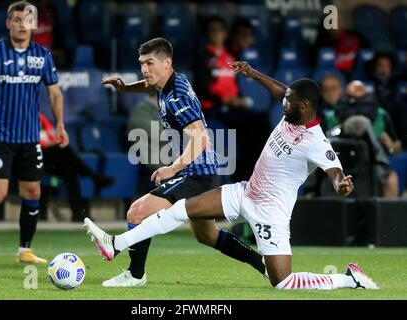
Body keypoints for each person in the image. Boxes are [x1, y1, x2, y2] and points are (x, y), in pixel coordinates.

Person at [84, 61, 379, 290]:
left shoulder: (317, 142)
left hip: (270, 212)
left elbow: (335, 172)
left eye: (289, 101)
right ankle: (116, 244)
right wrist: (252, 73)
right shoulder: (293, 111)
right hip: (244, 192)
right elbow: (280, 91)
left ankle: (348, 279)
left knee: (282, 282)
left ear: (305, 106)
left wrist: (342, 185)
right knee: (180, 210)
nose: (283, 102)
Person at [96, 37, 266, 287]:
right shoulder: (170, 81)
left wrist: (174, 167)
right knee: (207, 236)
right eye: (142, 63)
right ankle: (260, 263)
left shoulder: (177, 98)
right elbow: (148, 84)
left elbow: (200, 136)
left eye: (150, 63)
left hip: (195, 173)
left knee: (137, 212)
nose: (144, 69)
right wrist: (125, 88)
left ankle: (135, 275)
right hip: (202, 170)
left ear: (167, 63)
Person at [0, 1, 68, 264]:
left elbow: (54, 92)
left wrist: (60, 124)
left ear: (34, 24)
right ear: (8, 23)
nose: (21, 25)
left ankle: (24, 251)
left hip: (30, 137)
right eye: (16, 20)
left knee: (33, 192)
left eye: (26, 20)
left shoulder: (43, 56)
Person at [195, 16, 269, 181]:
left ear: (225, 33)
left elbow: (240, 82)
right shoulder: (203, 57)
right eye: (213, 30)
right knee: (245, 127)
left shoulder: (231, 56)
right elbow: (202, 88)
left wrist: (238, 99)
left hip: (234, 106)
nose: (217, 34)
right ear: (208, 34)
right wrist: (225, 100)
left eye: (220, 30)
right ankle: (242, 175)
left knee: (260, 121)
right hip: (214, 108)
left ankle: (254, 174)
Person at [39, 113, 114, 222]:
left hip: (49, 158)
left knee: (70, 170)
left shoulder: (41, 117)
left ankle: (77, 213)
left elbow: (53, 136)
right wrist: (49, 142)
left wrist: (50, 142)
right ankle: (94, 177)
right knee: (64, 148)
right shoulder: (23, 118)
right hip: (32, 157)